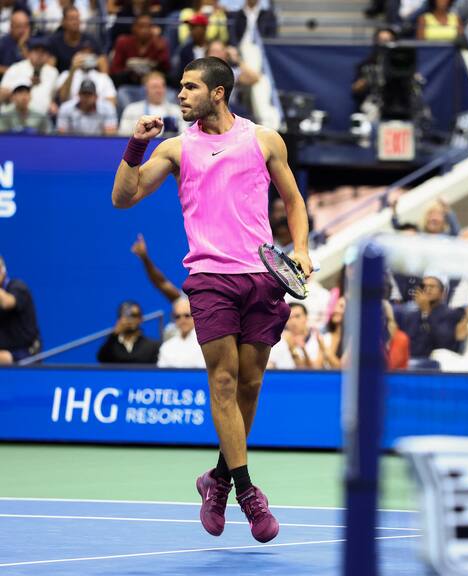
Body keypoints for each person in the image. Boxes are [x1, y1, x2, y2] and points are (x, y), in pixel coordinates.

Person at [110, 56, 313, 543]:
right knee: (222, 380)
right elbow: (123, 197)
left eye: (190, 87)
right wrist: (137, 144)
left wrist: (301, 248)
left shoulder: (265, 139)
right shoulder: (176, 148)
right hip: (209, 277)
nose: (180, 95)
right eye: (180, 87)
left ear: (218, 93)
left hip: (262, 275)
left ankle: (216, 479)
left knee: (249, 385)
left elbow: (294, 200)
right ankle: (246, 491)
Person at [0, 36, 58, 116]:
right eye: (36, 51)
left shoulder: (52, 72)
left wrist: (51, 103)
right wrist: (27, 84)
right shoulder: (16, 68)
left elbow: (52, 97)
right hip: (14, 117)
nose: (40, 55)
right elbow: (1, 94)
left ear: (48, 55)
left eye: (43, 52)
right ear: (29, 53)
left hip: (40, 120)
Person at [0, 254, 40, 365]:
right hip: (4, 351)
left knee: (4, 358)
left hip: (25, 354)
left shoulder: (17, 287)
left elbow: (7, 302)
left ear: (2, 270)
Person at [119, 72, 186, 136]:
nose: (159, 90)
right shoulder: (131, 109)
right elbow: (123, 135)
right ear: (146, 89)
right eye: (155, 87)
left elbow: (184, 134)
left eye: (162, 86)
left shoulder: (176, 110)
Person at [97, 300, 161, 364]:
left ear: (141, 319)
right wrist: (114, 334)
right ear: (119, 319)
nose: (130, 319)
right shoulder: (111, 345)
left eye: (134, 315)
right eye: (126, 316)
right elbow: (102, 359)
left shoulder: (152, 346)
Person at [268, 302, 321, 369]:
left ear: (306, 317)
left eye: (297, 316)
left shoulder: (318, 339)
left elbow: (316, 373)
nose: (293, 321)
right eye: (289, 318)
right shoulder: (277, 341)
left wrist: (299, 349)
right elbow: (269, 367)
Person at [157, 297, 206, 368]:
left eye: (187, 315)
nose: (182, 320)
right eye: (178, 317)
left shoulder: (205, 344)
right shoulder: (166, 347)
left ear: (194, 315)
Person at [0, 9, 30, 75]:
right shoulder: (3, 42)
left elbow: (33, 64)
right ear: (11, 27)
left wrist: (22, 45)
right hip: (6, 80)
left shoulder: (34, 42)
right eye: (19, 26)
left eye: (25, 26)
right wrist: (13, 72)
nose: (22, 30)